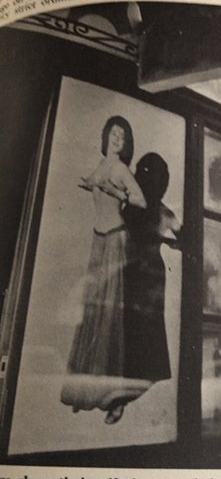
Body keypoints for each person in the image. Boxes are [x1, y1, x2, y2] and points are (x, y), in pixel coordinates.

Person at [61, 116, 148, 424]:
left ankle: (113, 399)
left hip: (115, 240)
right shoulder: (101, 164)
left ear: (126, 143)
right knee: (93, 313)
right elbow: (96, 187)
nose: (116, 139)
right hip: (98, 240)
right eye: (113, 133)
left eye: (122, 136)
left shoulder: (121, 169)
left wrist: (115, 192)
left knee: (110, 317)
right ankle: (85, 393)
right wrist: (91, 185)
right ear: (106, 136)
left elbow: (140, 201)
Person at [121, 152, 181, 389]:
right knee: (135, 321)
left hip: (146, 271)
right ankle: (138, 374)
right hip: (137, 268)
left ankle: (139, 374)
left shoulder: (157, 211)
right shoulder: (144, 207)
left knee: (145, 322)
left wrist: (166, 241)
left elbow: (185, 239)